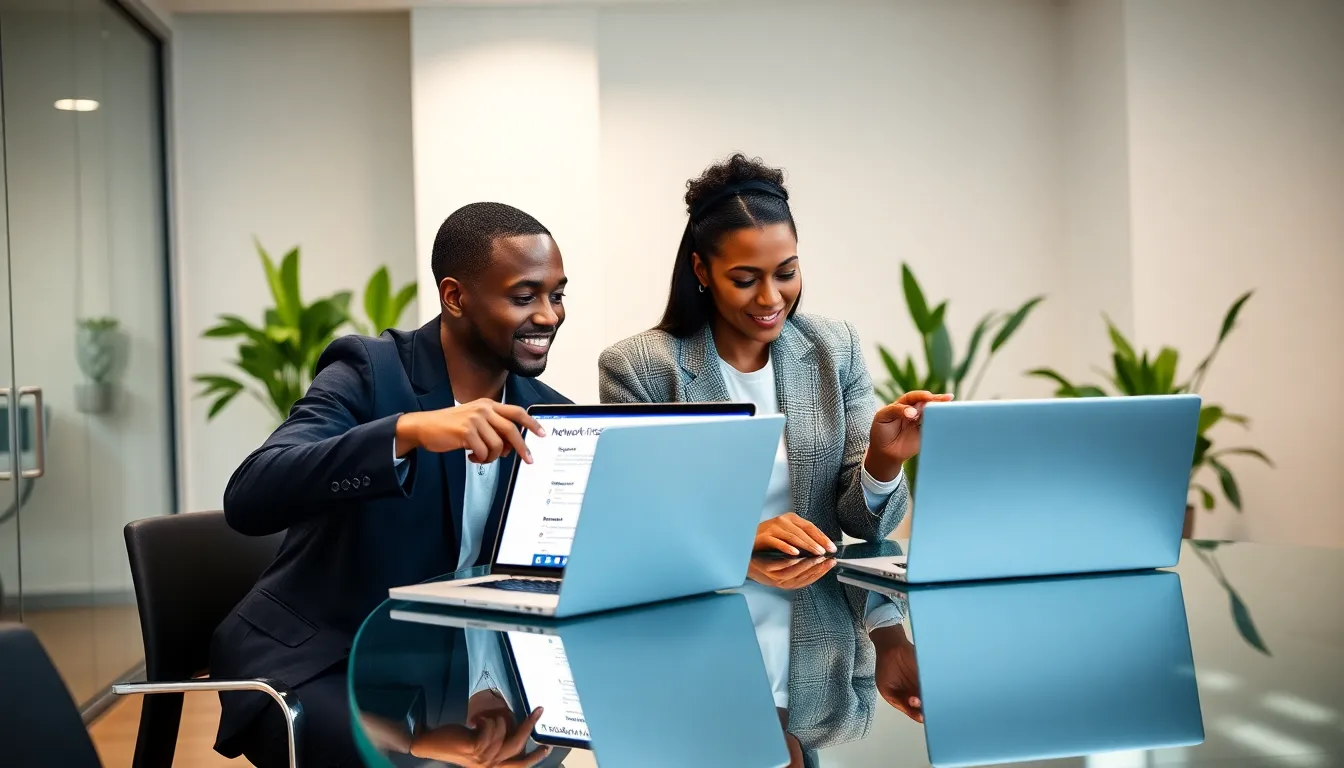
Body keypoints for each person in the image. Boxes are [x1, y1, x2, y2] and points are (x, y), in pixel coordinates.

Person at [210, 202, 572, 768]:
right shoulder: (370, 373)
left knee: (547, 749)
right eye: (525, 297)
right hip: (323, 662)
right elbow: (251, 494)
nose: (548, 316)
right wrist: (405, 433)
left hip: (460, 666)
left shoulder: (551, 416)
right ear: (454, 298)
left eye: (557, 295)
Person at [598, 154, 950, 555]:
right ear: (701, 271)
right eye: (745, 279)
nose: (770, 298)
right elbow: (634, 517)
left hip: (818, 605)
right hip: (700, 606)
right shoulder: (638, 367)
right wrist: (738, 538)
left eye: (786, 273)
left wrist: (882, 461)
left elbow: (867, 528)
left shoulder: (834, 348)